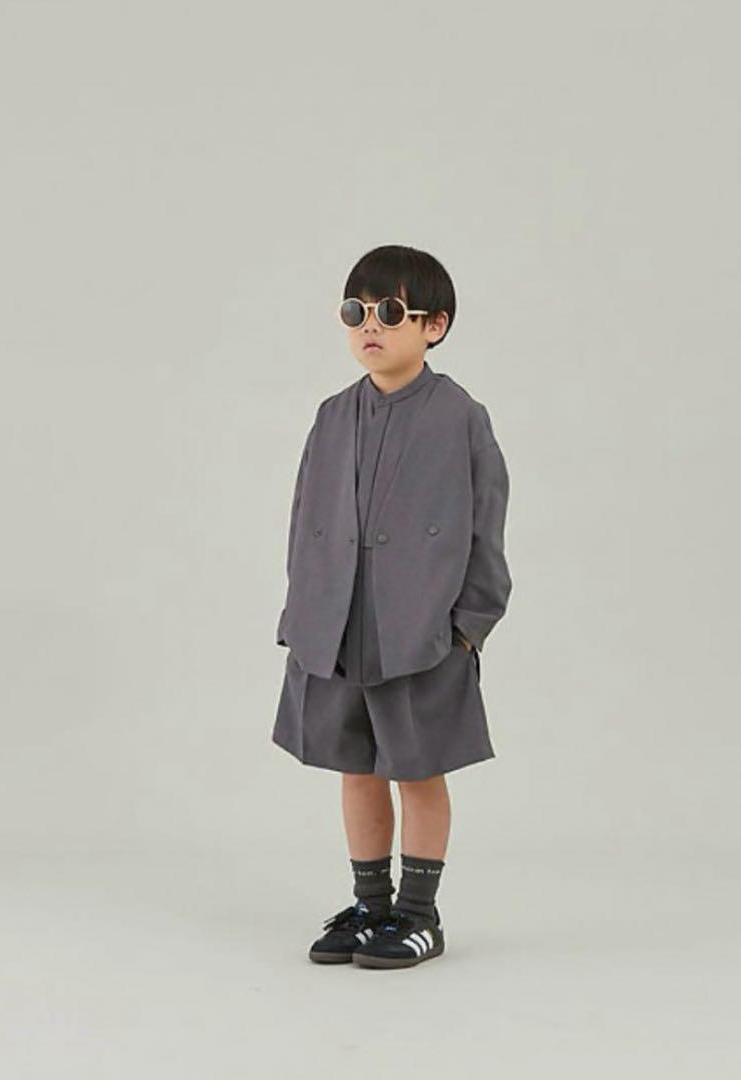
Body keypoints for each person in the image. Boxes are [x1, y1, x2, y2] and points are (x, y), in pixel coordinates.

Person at [271, 244, 512, 969]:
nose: (369, 325)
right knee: (357, 767)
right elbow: (305, 519)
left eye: (390, 311)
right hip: (338, 628)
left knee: (418, 770)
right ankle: (371, 906)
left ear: (435, 326)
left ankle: (418, 913)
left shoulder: (461, 417)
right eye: (356, 311)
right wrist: (302, 614)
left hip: (422, 631)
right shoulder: (332, 415)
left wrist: (468, 627)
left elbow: (486, 527)